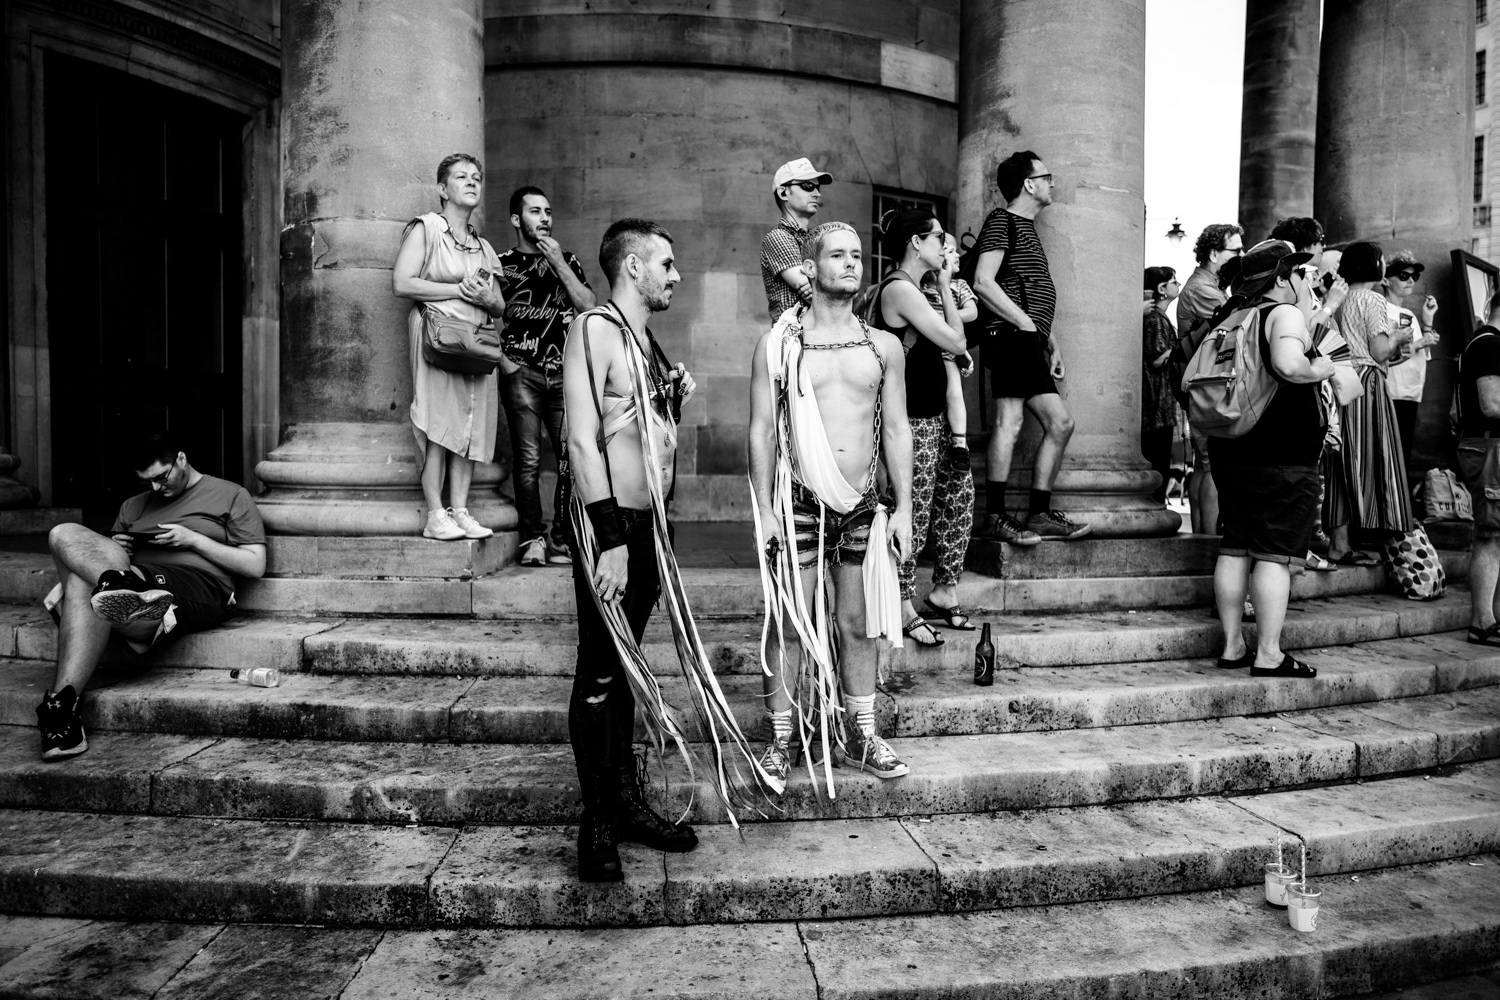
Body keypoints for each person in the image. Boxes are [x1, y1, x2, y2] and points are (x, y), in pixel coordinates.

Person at [564, 218, 762, 882]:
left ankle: (626, 806)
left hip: (650, 527)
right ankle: (596, 827)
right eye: (667, 264)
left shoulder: (644, 341)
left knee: (624, 669)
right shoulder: (594, 329)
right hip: (612, 525)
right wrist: (611, 539)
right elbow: (584, 442)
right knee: (599, 667)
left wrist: (666, 401)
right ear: (631, 268)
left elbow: (642, 435)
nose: (677, 275)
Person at [749, 220, 912, 787]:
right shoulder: (780, 344)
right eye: (837, 255)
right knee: (790, 622)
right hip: (796, 500)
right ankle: (779, 742)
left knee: (857, 621)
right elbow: (762, 429)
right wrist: (765, 511)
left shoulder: (882, 345)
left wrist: (906, 511)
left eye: (857, 256)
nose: (850, 264)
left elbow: (896, 429)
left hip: (864, 504)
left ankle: (860, 735)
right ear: (811, 265)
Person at [36, 435, 266, 760]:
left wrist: (194, 540)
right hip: (140, 577)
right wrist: (119, 546)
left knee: (82, 582)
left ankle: (59, 704)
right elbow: (101, 554)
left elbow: (255, 565)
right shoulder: (132, 506)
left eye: (162, 477)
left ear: (182, 459)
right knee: (61, 534)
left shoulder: (231, 495)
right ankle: (120, 590)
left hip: (200, 585)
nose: (156, 488)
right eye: (148, 482)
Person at [1209, 241, 1334, 679]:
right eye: (1302, 273)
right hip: (1280, 451)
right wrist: (1322, 369)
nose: (1309, 280)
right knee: (1274, 555)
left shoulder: (1231, 315)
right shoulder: (1283, 313)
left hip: (1230, 447)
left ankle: (1231, 646)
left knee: (1235, 546)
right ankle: (1268, 653)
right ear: (1283, 278)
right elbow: (1287, 364)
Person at [867, 209, 973, 646]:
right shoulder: (898, 288)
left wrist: (946, 286)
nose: (944, 244)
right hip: (909, 421)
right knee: (916, 510)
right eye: (938, 237)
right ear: (916, 242)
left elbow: (952, 337)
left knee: (958, 502)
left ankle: (945, 591)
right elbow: (956, 340)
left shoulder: (921, 288)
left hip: (936, 418)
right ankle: (903, 602)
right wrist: (946, 291)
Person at [971, 150, 1088, 544]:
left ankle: (1037, 514)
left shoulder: (1026, 227)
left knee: (1060, 423)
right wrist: (1023, 325)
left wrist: (1048, 340)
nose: (1053, 183)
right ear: (1029, 184)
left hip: (1028, 339)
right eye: (1047, 176)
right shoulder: (1001, 221)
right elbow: (984, 282)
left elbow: (1028, 291)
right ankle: (997, 516)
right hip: (1010, 338)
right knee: (1011, 422)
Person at [393, 153, 506, 542]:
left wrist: (486, 299)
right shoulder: (426, 229)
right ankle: (435, 515)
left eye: (477, 176)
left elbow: (500, 305)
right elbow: (402, 284)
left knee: (469, 425)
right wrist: (458, 290)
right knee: (437, 422)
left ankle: (460, 511)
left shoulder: (483, 246)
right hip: (437, 338)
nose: (472, 181)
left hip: (474, 343)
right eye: (461, 177)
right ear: (443, 189)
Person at [497, 185, 597, 566]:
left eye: (548, 211)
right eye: (535, 211)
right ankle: (532, 539)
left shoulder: (566, 258)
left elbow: (589, 307)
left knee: (570, 458)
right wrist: (505, 362)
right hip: (520, 373)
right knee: (527, 460)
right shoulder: (502, 264)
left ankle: (561, 538)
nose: (544, 218)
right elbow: (486, 315)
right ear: (516, 220)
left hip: (562, 377)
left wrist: (559, 265)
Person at [1329, 241, 1414, 553]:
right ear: (1373, 265)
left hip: (1340, 380)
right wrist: (1398, 337)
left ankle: (1339, 542)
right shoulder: (1373, 299)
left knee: (1342, 459)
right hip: (1367, 384)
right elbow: (1378, 351)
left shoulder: (1338, 299)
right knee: (1374, 457)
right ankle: (1371, 537)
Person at [1176, 223, 1245, 535]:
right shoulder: (1203, 289)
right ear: (1215, 253)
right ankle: (1207, 539)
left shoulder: (1206, 285)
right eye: (1236, 250)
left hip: (1202, 384)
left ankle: (1202, 539)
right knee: (1212, 466)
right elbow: (1236, 322)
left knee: (1205, 465)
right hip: (1208, 384)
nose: (1241, 255)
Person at [1456, 284, 1500, 645]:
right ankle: (1482, 622)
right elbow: (1491, 404)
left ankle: (1492, 619)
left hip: (1488, 444)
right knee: (1491, 534)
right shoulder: (1489, 343)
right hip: (1490, 446)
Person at [920, 233, 979, 471]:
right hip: (927, 352)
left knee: (955, 391)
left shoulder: (958, 285)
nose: (957, 255)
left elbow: (972, 313)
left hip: (947, 350)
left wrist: (940, 319)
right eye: (951, 250)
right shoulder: (920, 289)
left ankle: (959, 443)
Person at [1382, 250, 1441, 467]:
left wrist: (1427, 322)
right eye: (1404, 276)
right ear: (1385, 280)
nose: (1410, 281)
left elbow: (1418, 353)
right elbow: (1383, 355)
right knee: (1392, 460)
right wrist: (1419, 343)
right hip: (1393, 393)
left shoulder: (1408, 314)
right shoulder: (1381, 309)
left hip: (1410, 393)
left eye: (1413, 277)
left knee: (1402, 459)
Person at [759, 157, 831, 321]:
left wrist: (824, 285)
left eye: (818, 187)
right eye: (807, 186)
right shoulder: (778, 237)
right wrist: (828, 283)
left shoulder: (817, 239)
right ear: (783, 192)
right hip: (792, 338)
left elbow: (829, 290)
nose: (817, 193)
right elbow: (816, 293)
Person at [1142, 266, 1181, 504]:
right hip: (1158, 403)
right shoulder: (1156, 320)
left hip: (1161, 403)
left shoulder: (1159, 318)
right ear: (1161, 289)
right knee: (1159, 460)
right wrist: (1179, 349)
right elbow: (1156, 359)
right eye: (1174, 282)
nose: (1179, 285)